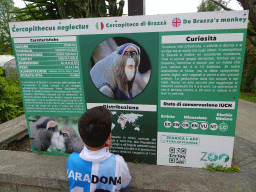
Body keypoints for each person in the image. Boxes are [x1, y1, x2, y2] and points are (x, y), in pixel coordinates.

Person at [67, 106, 131, 192]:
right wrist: (108, 151)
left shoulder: (72, 160)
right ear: (109, 136)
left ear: (81, 136)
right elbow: (125, 184)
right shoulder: (118, 162)